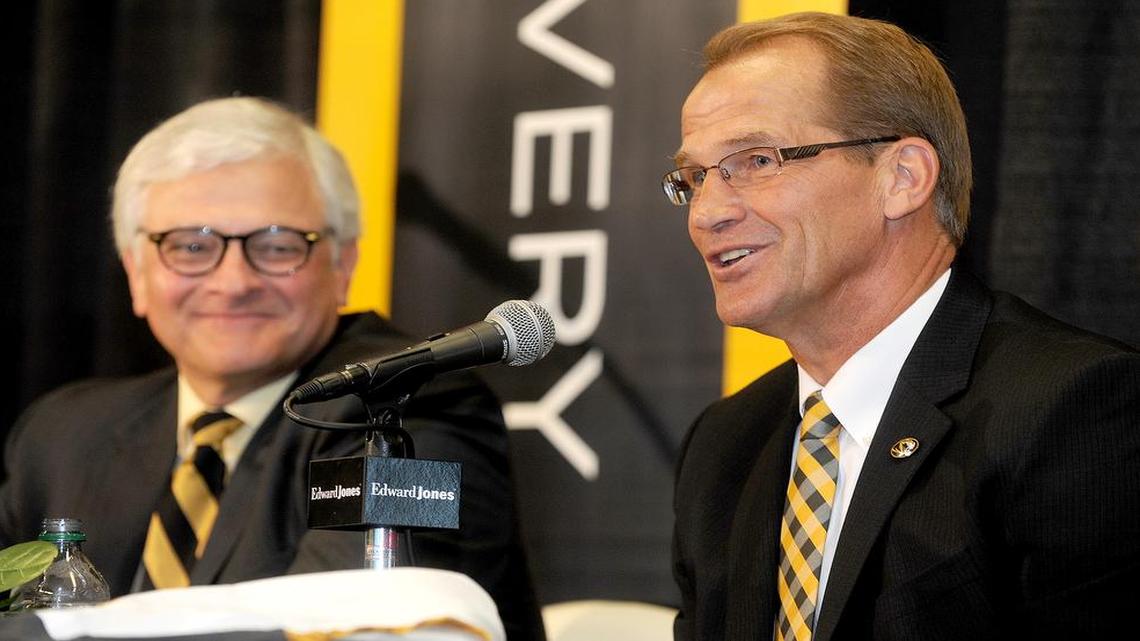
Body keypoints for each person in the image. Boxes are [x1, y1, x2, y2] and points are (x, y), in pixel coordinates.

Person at [664, 12, 1140, 641]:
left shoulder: (1073, 411)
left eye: (755, 159)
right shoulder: (726, 443)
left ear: (902, 178)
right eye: (694, 178)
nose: (708, 212)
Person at [0, 97, 545, 640]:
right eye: (191, 246)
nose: (234, 283)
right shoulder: (61, 436)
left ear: (343, 265)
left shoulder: (413, 406)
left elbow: (344, 629)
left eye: (277, 245)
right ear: (136, 274)